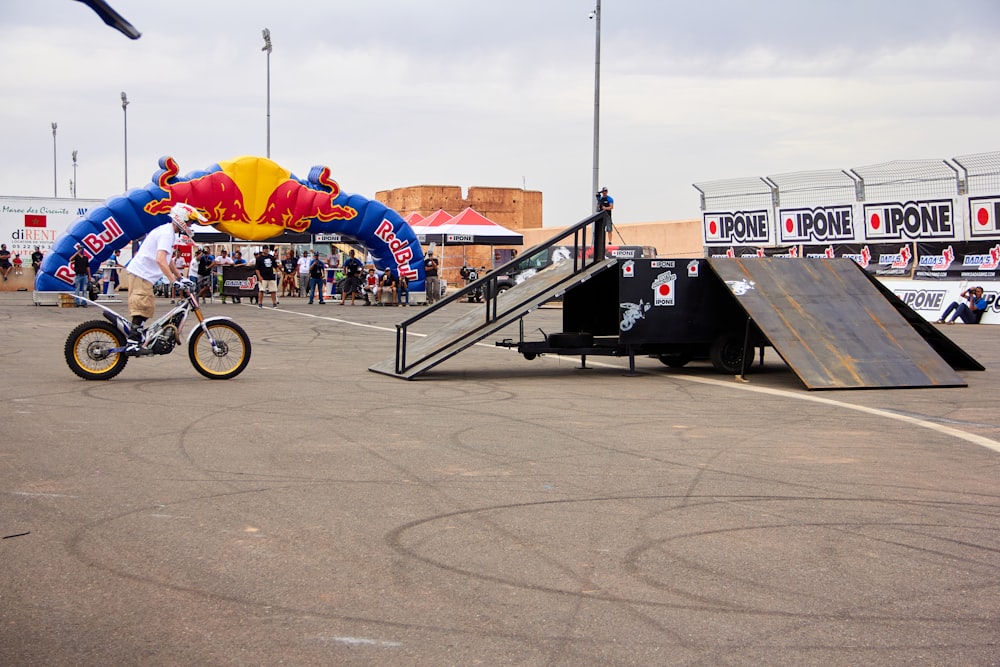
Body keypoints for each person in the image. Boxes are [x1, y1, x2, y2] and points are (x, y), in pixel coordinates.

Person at [125, 203, 205, 349]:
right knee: (142, 306)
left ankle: (137, 337)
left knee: (146, 307)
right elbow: (160, 260)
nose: (191, 225)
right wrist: (173, 281)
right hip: (141, 274)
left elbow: (168, 261)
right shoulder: (167, 233)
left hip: (143, 275)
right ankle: (132, 342)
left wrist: (180, 278)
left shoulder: (169, 232)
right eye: (190, 221)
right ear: (181, 219)